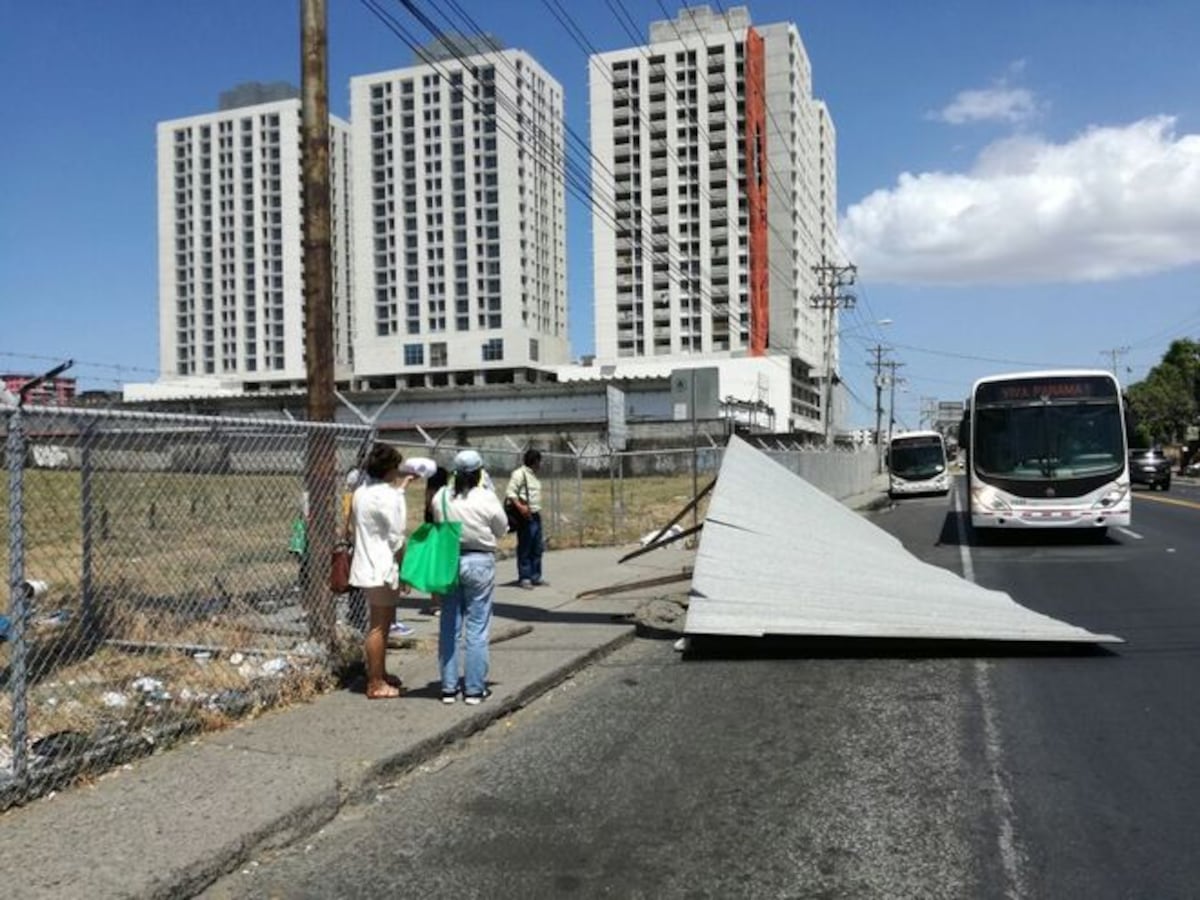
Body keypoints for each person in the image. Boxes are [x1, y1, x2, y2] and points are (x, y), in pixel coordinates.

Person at [431, 449, 508, 704]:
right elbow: (501, 528)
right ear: (479, 473)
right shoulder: (486, 497)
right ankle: (474, 689)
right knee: (477, 627)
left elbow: (437, 521)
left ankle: (448, 688)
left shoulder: (442, 496)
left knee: (449, 626)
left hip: (449, 561)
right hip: (479, 561)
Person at [347, 443, 410, 699]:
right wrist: (404, 569)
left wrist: (402, 490)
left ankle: (379, 673)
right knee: (379, 626)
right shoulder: (389, 496)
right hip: (383, 566)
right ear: (389, 469)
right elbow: (397, 537)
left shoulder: (361, 492)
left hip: (366, 562)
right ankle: (375, 682)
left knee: (380, 624)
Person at [505, 448, 547, 589]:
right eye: (540, 461)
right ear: (535, 461)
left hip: (535, 514)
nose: (541, 464)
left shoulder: (533, 476)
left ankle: (536, 576)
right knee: (525, 547)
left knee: (537, 547)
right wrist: (521, 507)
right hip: (525, 516)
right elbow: (511, 493)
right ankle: (525, 577)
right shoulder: (519, 474)